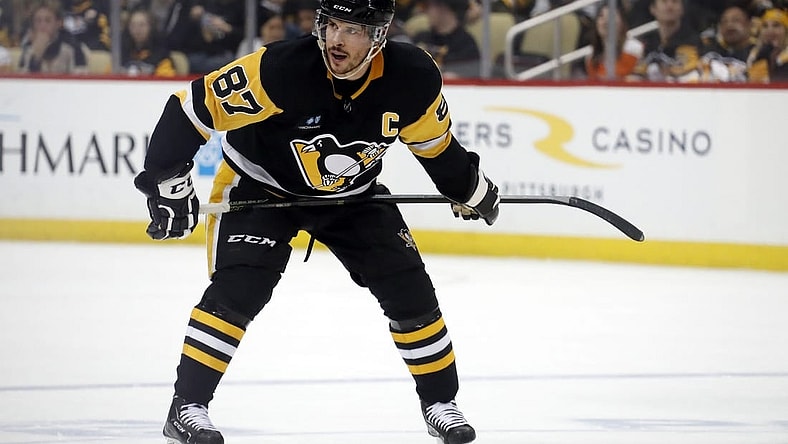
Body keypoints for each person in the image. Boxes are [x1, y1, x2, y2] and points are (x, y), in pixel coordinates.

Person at [133, 0, 499, 443]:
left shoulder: (412, 78)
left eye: (352, 30)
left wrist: (470, 190)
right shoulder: (281, 68)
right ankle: (186, 407)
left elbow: (437, 149)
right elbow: (190, 108)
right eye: (330, 26)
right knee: (239, 288)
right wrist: (169, 182)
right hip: (261, 185)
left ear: (379, 36)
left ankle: (441, 403)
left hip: (353, 196)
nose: (335, 40)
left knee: (410, 290)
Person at [630, 0, 702, 82]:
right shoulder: (645, 44)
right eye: (664, 1)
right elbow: (633, 77)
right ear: (652, 9)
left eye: (675, 2)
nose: (670, 6)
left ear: (682, 9)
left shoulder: (694, 42)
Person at [411, 0, 481, 78]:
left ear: (444, 8)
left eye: (427, 7)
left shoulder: (466, 44)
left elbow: (472, 73)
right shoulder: (420, 38)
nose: (425, 12)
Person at [17, 0, 88, 74]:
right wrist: (35, 58)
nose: (42, 26)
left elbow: (79, 80)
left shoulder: (73, 47)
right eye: (38, 21)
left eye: (48, 20)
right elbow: (23, 81)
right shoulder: (29, 48)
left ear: (59, 23)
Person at [584, 0, 644, 80]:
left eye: (611, 16)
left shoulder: (635, 49)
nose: (606, 21)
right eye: (601, 16)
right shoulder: (591, 58)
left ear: (622, 20)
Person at [698, 3, 757, 82]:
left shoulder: (758, 54)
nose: (729, 25)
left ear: (749, 25)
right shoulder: (708, 51)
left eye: (736, 20)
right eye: (724, 21)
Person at [121, 7, 177, 76]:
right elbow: (109, 77)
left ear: (151, 27)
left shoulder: (161, 55)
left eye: (142, 25)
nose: (137, 29)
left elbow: (166, 81)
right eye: (133, 25)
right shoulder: (121, 53)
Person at [748, 7, 788, 81]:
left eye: (776, 25)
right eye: (765, 26)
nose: (770, 30)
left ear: (786, 31)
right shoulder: (754, 54)